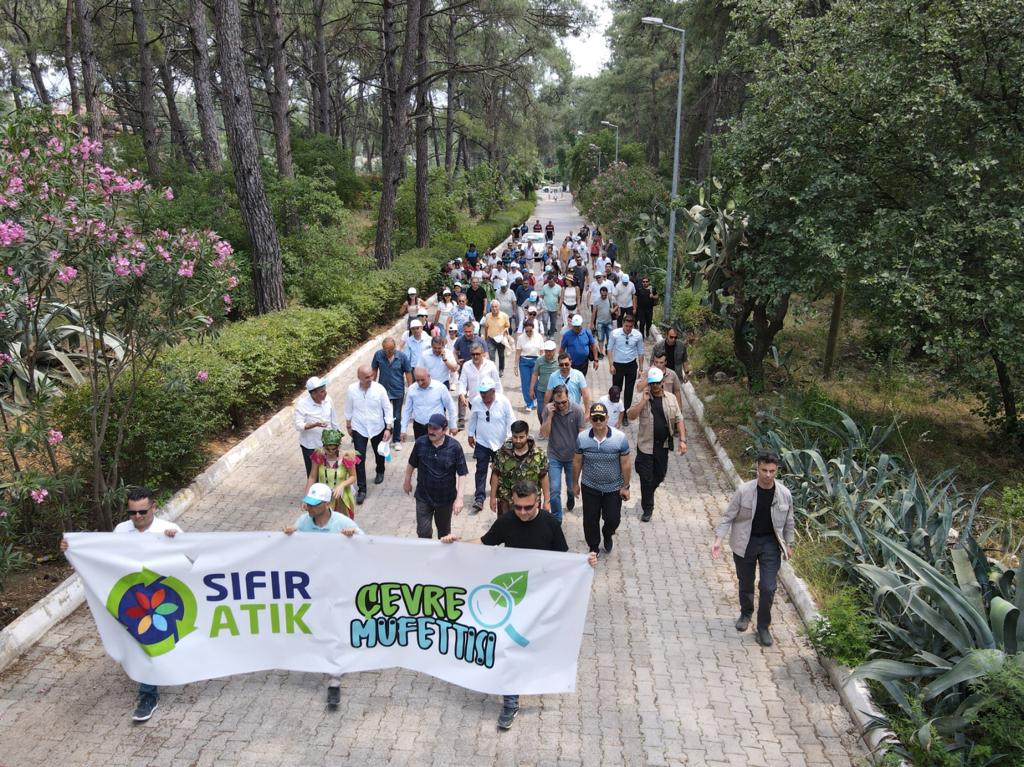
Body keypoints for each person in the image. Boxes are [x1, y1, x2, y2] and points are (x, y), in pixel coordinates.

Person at [440, 480, 597, 729]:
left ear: (538, 501)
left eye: (528, 507)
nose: (522, 513)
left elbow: (562, 561)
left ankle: (534, 678)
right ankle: (510, 701)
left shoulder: (550, 524)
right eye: (518, 507)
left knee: (529, 644)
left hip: (540, 597)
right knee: (508, 645)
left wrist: (584, 563)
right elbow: (484, 543)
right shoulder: (506, 521)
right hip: (512, 599)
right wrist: (454, 546)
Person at [60, 487, 182, 722]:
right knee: (141, 641)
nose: (137, 517)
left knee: (151, 640)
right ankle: (149, 691)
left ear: (154, 508)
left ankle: (151, 690)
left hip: (161, 598)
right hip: (132, 598)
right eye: (132, 513)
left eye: (142, 512)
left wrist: (176, 543)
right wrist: (71, 550)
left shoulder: (169, 530)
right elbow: (105, 557)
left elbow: (189, 562)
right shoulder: (121, 530)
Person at [282, 483, 362, 707]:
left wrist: (353, 536)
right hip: (314, 587)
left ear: (327, 504)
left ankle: (334, 679)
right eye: (308, 503)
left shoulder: (343, 523)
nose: (309, 507)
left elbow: (367, 546)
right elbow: (290, 547)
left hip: (339, 585)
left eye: (314, 504)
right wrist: (288, 536)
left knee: (335, 627)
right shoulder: (304, 522)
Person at [711, 451, 795, 647]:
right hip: (745, 542)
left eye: (772, 471)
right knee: (746, 582)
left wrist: (789, 544)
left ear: (777, 471)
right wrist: (718, 540)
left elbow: (790, 521)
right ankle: (746, 613)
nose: (767, 475)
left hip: (770, 544)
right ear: (757, 468)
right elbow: (728, 517)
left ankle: (763, 626)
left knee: (768, 587)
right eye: (764, 470)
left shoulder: (784, 495)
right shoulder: (744, 491)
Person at [626, 368, 686, 523]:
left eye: (657, 383)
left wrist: (683, 440)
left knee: (659, 475)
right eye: (652, 383)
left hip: (663, 446)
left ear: (663, 383)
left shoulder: (671, 398)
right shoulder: (642, 397)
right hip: (645, 446)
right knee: (646, 478)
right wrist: (643, 401)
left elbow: (679, 419)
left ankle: (648, 493)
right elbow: (631, 416)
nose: (655, 386)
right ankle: (648, 508)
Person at [573, 403, 631, 557]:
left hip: (613, 487)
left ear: (607, 418)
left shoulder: (620, 439)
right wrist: (574, 484)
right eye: (595, 418)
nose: (598, 421)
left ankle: (607, 533)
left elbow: (625, 464)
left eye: (601, 418)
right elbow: (577, 461)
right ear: (590, 420)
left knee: (613, 519)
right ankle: (593, 546)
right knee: (590, 519)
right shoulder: (582, 438)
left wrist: (626, 486)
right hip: (590, 486)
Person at [403, 413, 468, 538]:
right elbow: (411, 463)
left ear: (444, 430)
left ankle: (442, 557)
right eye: (429, 427)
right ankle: (426, 555)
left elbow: (462, 473)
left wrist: (459, 498)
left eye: (435, 429)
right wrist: (407, 481)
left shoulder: (455, 447)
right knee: (423, 532)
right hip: (423, 497)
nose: (431, 431)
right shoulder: (420, 443)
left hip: (445, 499)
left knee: (444, 533)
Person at [344, 365, 394, 504]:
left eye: (371, 375)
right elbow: (348, 408)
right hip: (359, 428)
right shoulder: (351, 390)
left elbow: (387, 409)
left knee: (379, 453)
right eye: (366, 377)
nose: (370, 379)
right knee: (359, 459)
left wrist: (388, 428)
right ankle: (362, 489)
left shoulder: (379, 389)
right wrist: (349, 425)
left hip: (377, 427)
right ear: (359, 377)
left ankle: (380, 469)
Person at [539, 384, 586, 522]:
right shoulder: (549, 410)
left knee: (571, 488)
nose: (561, 406)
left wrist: (581, 456)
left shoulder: (577, 410)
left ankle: (570, 496)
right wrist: (549, 416)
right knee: (554, 490)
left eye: (564, 402)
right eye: (557, 403)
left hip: (572, 457)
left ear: (568, 397)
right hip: (554, 456)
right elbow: (544, 434)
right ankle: (557, 518)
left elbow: (582, 435)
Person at [468, 380, 514, 513]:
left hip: (500, 443)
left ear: (493, 392)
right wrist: (471, 434)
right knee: (481, 469)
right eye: (482, 394)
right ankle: (479, 498)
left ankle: (500, 493)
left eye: (486, 394)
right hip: (482, 442)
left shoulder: (503, 401)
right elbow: (473, 418)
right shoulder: (476, 401)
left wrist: (510, 439)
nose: (484, 398)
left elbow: (511, 419)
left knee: (500, 469)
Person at [489, 421, 550, 516]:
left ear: (527, 435)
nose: (518, 440)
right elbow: (496, 475)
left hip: (530, 504)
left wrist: (547, 500)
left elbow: (543, 477)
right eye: (515, 437)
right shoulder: (502, 453)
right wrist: (492, 497)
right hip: (507, 502)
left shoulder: (538, 454)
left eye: (521, 437)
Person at [305, 428, 357, 518]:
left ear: (339, 446)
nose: (330, 452)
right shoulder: (318, 456)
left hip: (341, 498)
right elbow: (312, 477)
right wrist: (306, 499)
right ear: (323, 446)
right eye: (327, 449)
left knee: (341, 525)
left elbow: (353, 476)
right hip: (322, 498)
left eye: (334, 449)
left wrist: (342, 485)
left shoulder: (347, 457)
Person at [372, 337, 413, 452]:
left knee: (397, 416)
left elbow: (408, 372)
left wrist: (410, 388)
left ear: (394, 348)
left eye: (390, 349)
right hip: (382, 391)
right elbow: (374, 370)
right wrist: (372, 385)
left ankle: (396, 440)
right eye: (385, 349)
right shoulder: (378, 355)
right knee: (383, 415)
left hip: (398, 390)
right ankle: (384, 437)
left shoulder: (402, 356)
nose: (388, 352)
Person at [294, 376, 338, 479]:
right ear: (313, 393)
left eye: (325, 390)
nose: (325, 393)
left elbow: (334, 420)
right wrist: (314, 424)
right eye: (322, 392)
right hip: (311, 446)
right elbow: (298, 426)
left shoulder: (328, 400)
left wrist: (337, 438)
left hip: (328, 444)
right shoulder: (302, 404)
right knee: (314, 474)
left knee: (330, 472)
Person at [400, 367, 457, 441]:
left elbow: (450, 406)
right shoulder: (412, 389)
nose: (420, 383)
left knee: (438, 449)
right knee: (421, 450)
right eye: (417, 380)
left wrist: (453, 425)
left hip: (437, 427)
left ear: (429, 376)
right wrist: (403, 429)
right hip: (419, 427)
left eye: (423, 380)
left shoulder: (440, 388)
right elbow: (407, 411)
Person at [607, 313, 645, 418]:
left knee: (629, 390)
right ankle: (614, 411)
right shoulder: (614, 334)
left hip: (631, 365)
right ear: (623, 324)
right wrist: (611, 365)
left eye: (630, 326)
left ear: (633, 326)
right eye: (626, 326)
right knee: (616, 390)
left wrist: (641, 369)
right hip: (618, 365)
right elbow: (609, 349)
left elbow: (641, 352)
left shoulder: (638, 335)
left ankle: (625, 414)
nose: (628, 328)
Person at [514, 319, 543, 410]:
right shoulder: (521, 338)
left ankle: (535, 399)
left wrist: (542, 364)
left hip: (536, 361)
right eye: (527, 331)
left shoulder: (539, 337)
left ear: (533, 329)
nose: (529, 333)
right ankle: (529, 403)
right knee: (525, 383)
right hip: (524, 362)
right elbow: (518, 352)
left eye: (530, 331)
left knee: (535, 383)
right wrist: (515, 365)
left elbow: (542, 352)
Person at [530, 340, 560, 427]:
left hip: (555, 392)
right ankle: (543, 427)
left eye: (550, 351)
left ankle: (552, 429)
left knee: (555, 412)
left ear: (554, 350)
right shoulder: (539, 360)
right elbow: (535, 374)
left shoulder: (559, 360)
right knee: (541, 412)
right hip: (541, 391)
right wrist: (531, 389)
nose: (548, 353)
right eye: (546, 351)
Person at [482, 299, 512, 375]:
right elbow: (486, 328)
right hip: (491, 339)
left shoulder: (504, 316)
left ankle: (501, 369)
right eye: (492, 307)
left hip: (501, 339)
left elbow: (507, 326)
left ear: (499, 307)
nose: (494, 308)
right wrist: (485, 339)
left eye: (496, 307)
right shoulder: (488, 316)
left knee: (501, 355)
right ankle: (493, 371)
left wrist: (505, 333)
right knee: (491, 357)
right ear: (490, 308)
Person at [591, 285, 614, 359]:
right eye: (602, 294)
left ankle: (608, 348)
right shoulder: (596, 301)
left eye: (605, 294)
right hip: (600, 322)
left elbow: (617, 306)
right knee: (600, 338)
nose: (604, 296)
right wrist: (592, 323)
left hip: (609, 322)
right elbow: (594, 313)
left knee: (609, 338)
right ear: (600, 293)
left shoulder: (610, 299)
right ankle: (601, 353)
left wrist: (613, 310)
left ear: (607, 293)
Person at [539, 273, 563, 338]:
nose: (550, 283)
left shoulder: (558, 288)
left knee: (553, 322)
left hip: (554, 308)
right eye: (549, 282)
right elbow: (541, 296)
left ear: (554, 281)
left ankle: (551, 334)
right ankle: (546, 334)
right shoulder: (545, 287)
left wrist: (559, 308)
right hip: (545, 308)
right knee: (545, 321)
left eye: (552, 282)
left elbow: (560, 299)